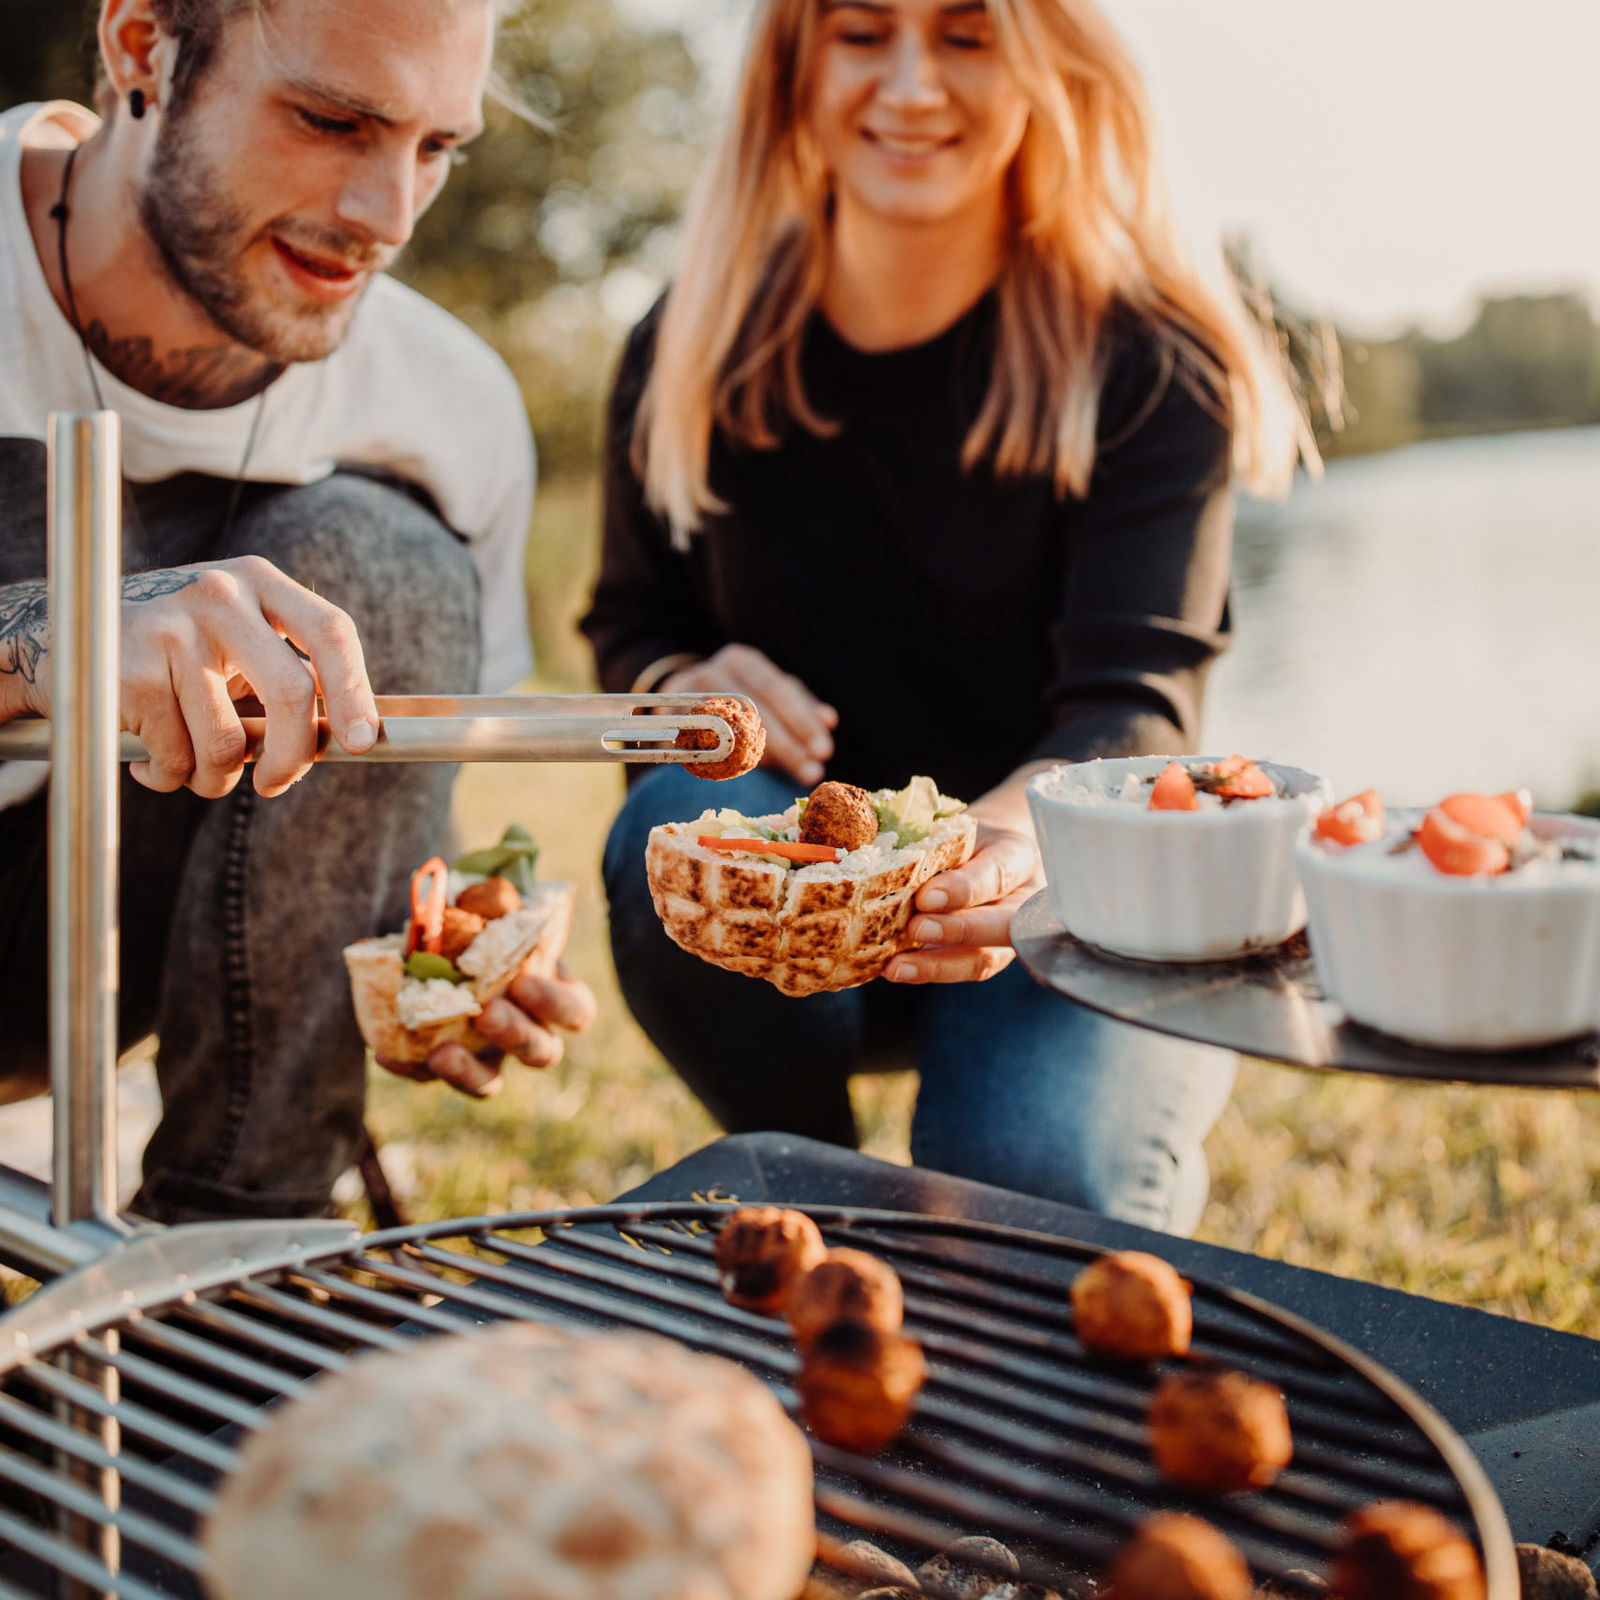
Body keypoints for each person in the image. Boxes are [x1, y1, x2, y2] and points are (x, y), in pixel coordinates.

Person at [583, 0, 1307, 1232]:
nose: (912, 86)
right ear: (796, 67)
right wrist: (685, 683)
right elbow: (626, 623)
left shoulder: (1148, 357)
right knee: (662, 812)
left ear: (1044, 63)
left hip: (1071, 899)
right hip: (806, 919)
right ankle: (804, 1196)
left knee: (1024, 1199)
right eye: (864, 32)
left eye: (967, 35)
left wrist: (1002, 848)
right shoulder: (688, 344)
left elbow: (1133, 707)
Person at [0, 0, 595, 1226]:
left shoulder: (449, 408)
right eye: (331, 120)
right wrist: (47, 636)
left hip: (93, 951)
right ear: (139, 49)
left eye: (437, 148)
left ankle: (226, 1273)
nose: (387, 218)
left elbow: (386, 825)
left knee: (379, 560)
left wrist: (432, 963)